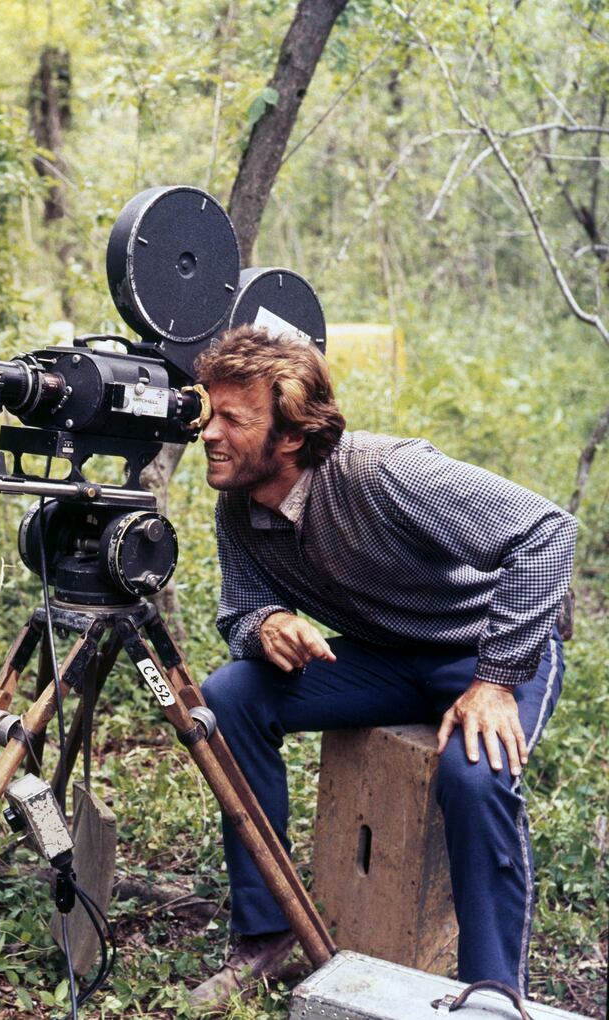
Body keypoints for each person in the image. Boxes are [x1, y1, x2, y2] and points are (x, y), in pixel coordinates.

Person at [188, 326, 577, 1010]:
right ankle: (268, 935)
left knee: (474, 775)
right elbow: (242, 602)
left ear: (289, 435)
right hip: (385, 659)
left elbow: (548, 533)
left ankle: (491, 990)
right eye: (208, 413)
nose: (209, 434)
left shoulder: (385, 472)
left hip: (485, 653)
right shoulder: (239, 507)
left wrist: (495, 681)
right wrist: (264, 623)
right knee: (227, 698)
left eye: (232, 419)